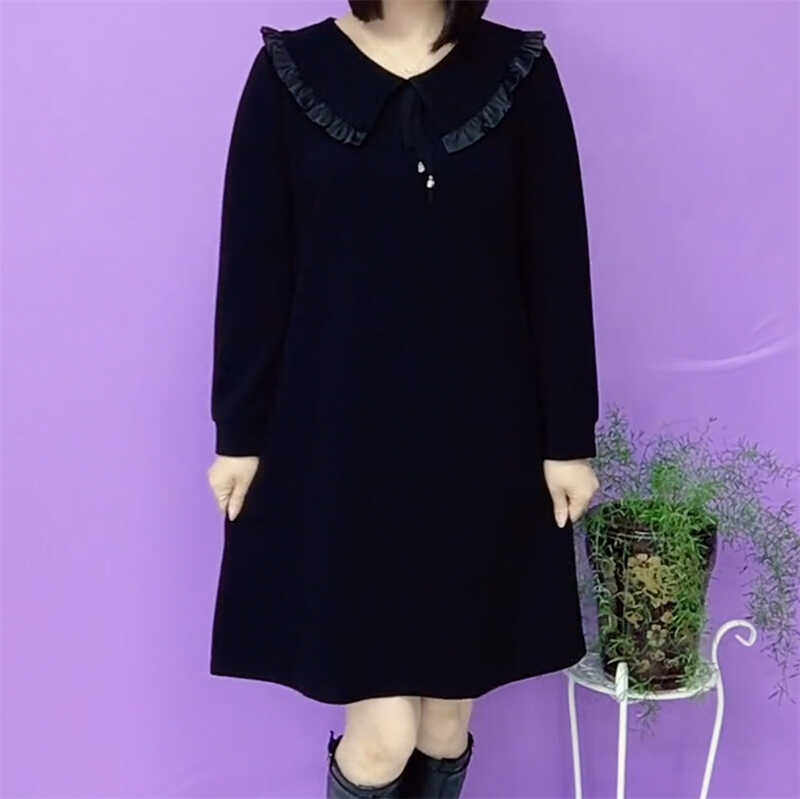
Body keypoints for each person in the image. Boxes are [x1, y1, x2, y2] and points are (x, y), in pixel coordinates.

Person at [206, 1, 601, 796]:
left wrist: (569, 439)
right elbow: (254, 265)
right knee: (383, 736)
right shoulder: (290, 74)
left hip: (481, 440)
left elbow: (556, 265)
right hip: (339, 441)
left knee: (444, 722)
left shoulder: (520, 74)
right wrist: (238, 433)